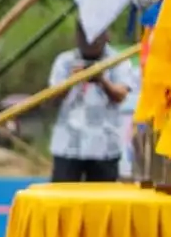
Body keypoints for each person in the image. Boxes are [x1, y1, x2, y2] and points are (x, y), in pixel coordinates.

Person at [48, 28, 134, 184]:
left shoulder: (118, 60)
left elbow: (121, 95)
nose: (89, 40)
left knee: (102, 203)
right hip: (68, 146)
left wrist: (101, 80)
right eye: (83, 34)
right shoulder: (64, 60)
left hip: (105, 147)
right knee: (63, 200)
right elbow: (51, 98)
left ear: (107, 35)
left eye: (95, 35)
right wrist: (71, 81)